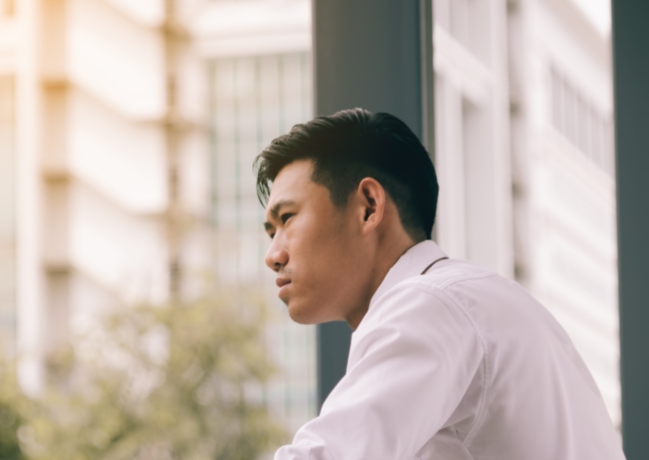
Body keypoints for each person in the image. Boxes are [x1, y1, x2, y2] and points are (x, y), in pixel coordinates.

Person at [255, 108, 625, 460]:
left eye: (287, 218)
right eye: (271, 232)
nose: (273, 255)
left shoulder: (428, 305)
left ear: (368, 206)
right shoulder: (471, 298)